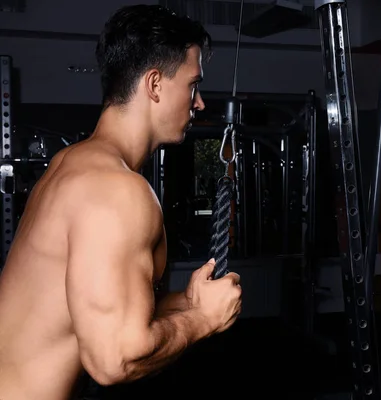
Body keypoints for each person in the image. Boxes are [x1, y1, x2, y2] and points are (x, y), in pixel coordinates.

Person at [0, 5, 242, 400]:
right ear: (155, 85)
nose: (198, 103)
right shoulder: (116, 190)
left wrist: (187, 302)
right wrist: (202, 320)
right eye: (193, 85)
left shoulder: (72, 163)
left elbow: (95, 309)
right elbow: (115, 359)